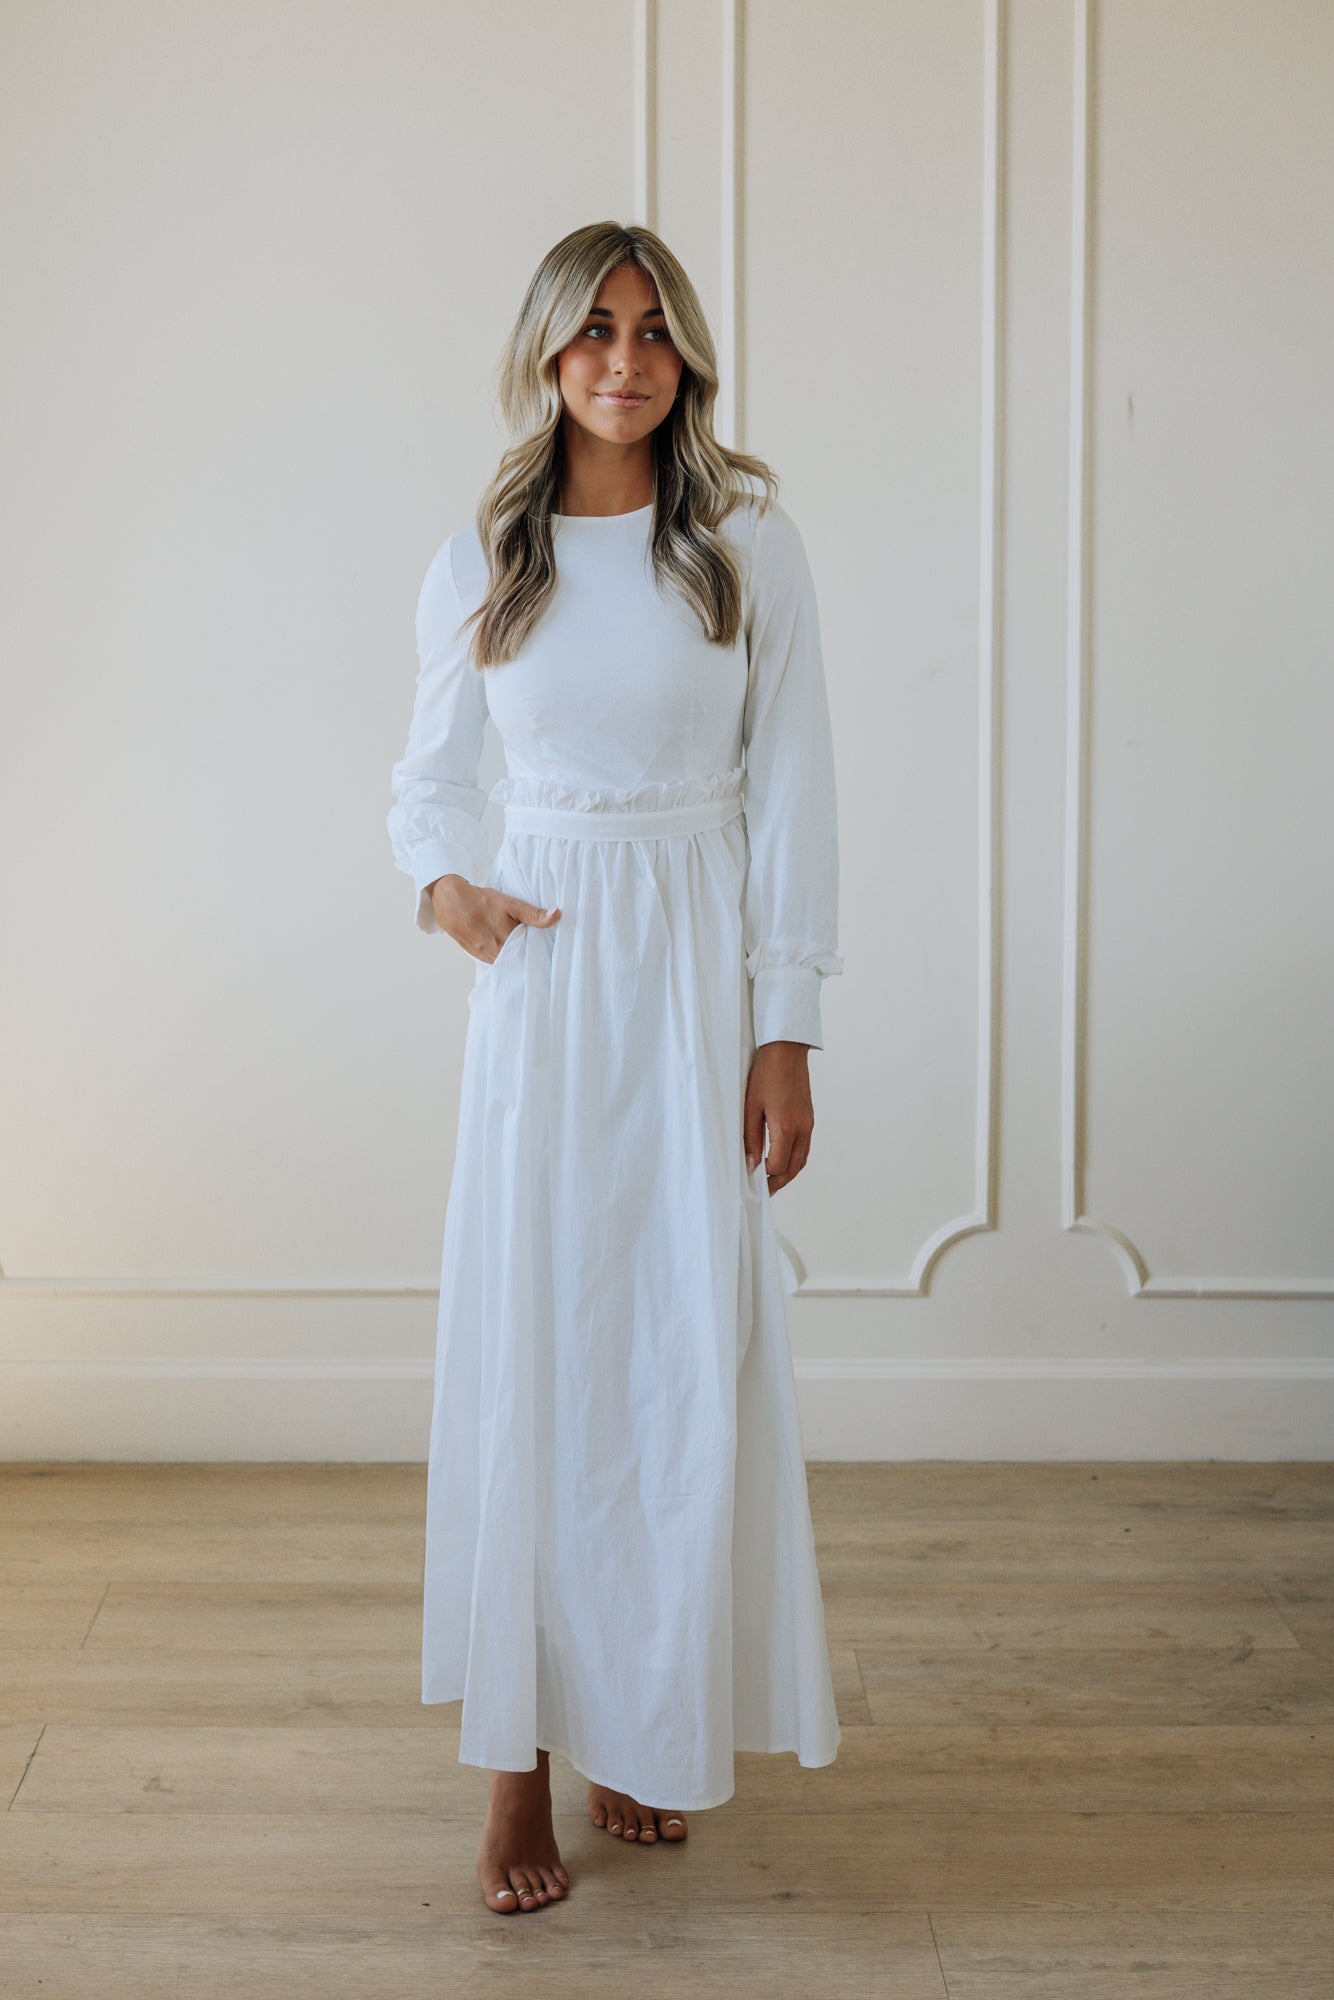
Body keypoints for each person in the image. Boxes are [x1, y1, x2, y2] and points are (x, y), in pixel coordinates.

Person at [387, 221, 844, 1916]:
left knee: (674, 1355)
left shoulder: (745, 550)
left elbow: (796, 792)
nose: (624, 361)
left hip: (695, 983)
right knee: (534, 1348)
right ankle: (513, 1772)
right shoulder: (479, 562)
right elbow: (425, 784)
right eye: (591, 333)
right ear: (545, 354)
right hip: (549, 984)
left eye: (652, 333)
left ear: (687, 358)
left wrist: (782, 1027)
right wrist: (444, 889)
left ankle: (637, 1722)